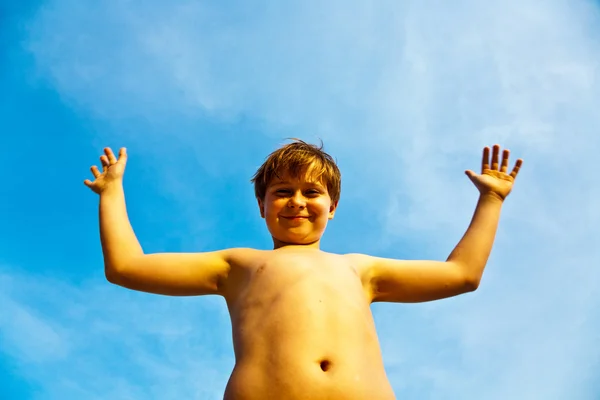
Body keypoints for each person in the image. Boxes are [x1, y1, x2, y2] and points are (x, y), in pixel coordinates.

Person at [84, 140, 522, 400]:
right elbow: (127, 267)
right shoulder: (238, 264)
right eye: (282, 191)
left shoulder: (360, 269)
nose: (296, 200)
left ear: (332, 208)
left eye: (311, 192)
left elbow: (462, 274)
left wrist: (491, 200)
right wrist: (111, 193)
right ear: (262, 206)